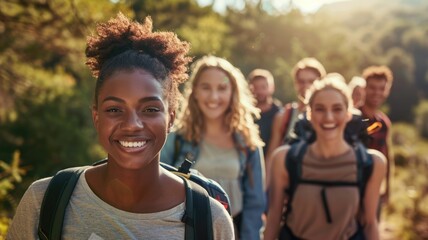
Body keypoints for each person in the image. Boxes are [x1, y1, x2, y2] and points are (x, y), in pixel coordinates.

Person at [7, 13, 234, 240]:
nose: (132, 125)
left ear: (171, 118)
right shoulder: (45, 202)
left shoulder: (211, 220)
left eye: (150, 109)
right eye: (115, 110)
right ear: (97, 117)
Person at [264, 75, 386, 240]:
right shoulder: (286, 159)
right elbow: (273, 221)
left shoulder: (371, 164)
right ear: (309, 114)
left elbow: (370, 224)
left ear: (349, 114)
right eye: (320, 109)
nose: (328, 117)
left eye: (337, 109)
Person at [160, 55, 266, 240]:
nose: (214, 96)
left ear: (233, 92)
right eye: (206, 87)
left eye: (222, 88)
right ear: (195, 92)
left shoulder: (248, 143)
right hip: (183, 232)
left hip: (233, 232)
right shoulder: (176, 139)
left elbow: (255, 203)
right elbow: (156, 188)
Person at [265, 57, 326, 184]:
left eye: (311, 81)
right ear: (295, 84)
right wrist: (267, 188)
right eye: (301, 81)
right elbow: (272, 155)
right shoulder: (284, 116)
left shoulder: (328, 117)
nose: (306, 86)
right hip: (287, 183)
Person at [360, 65, 394, 208]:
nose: (377, 92)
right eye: (373, 87)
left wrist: (388, 189)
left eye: (382, 88)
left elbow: (386, 156)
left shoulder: (384, 123)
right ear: (364, 89)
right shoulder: (353, 117)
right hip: (351, 186)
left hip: (374, 190)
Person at [247, 68, 282, 157]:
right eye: (255, 88)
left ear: (272, 88)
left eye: (263, 87)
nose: (259, 92)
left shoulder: (280, 113)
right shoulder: (245, 113)